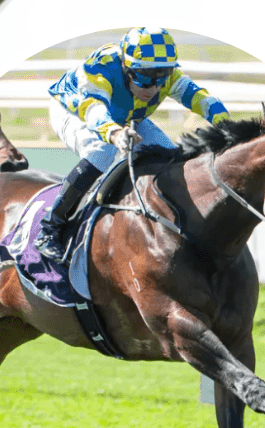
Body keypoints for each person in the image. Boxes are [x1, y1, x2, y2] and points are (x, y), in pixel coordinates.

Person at [37, 26, 231, 262]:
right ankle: (50, 227)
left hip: (125, 115)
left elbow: (201, 98)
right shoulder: (103, 68)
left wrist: (226, 125)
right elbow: (93, 111)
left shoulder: (162, 75)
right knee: (102, 152)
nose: (155, 87)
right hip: (77, 110)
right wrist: (114, 132)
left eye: (162, 76)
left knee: (171, 156)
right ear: (126, 67)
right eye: (145, 77)